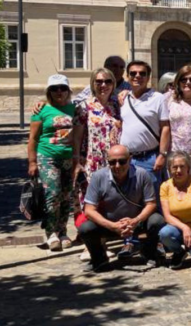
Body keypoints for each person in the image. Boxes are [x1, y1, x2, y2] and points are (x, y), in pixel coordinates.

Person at [78, 145, 165, 273]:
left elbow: (151, 204)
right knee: (85, 228)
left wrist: (135, 221)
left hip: (136, 223)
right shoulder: (98, 177)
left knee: (157, 220)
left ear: (130, 159)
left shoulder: (142, 174)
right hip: (109, 224)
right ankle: (99, 258)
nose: (117, 166)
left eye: (122, 161)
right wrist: (112, 226)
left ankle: (149, 251)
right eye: (112, 162)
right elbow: (89, 210)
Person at [71, 68, 123, 259]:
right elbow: (76, 137)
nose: (103, 85)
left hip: (113, 163)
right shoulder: (84, 107)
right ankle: (90, 245)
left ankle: (103, 242)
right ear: (93, 83)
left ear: (113, 84)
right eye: (99, 81)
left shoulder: (117, 106)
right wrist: (77, 161)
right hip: (91, 161)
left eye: (107, 81)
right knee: (90, 202)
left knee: (107, 202)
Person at [27, 74, 82, 251]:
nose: (59, 92)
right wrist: (32, 162)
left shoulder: (74, 108)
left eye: (63, 88)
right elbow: (33, 139)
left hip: (67, 158)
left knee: (67, 195)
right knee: (53, 194)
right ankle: (51, 233)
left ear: (68, 91)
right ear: (49, 91)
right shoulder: (42, 110)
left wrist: (76, 158)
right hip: (47, 157)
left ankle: (63, 231)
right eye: (54, 88)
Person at [119, 61, 171, 205]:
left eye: (142, 73)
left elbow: (165, 127)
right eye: (133, 73)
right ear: (127, 77)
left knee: (152, 197)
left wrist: (162, 155)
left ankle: (154, 226)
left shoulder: (158, 98)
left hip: (149, 158)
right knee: (130, 198)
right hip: (126, 159)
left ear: (148, 77)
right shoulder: (123, 99)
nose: (137, 76)